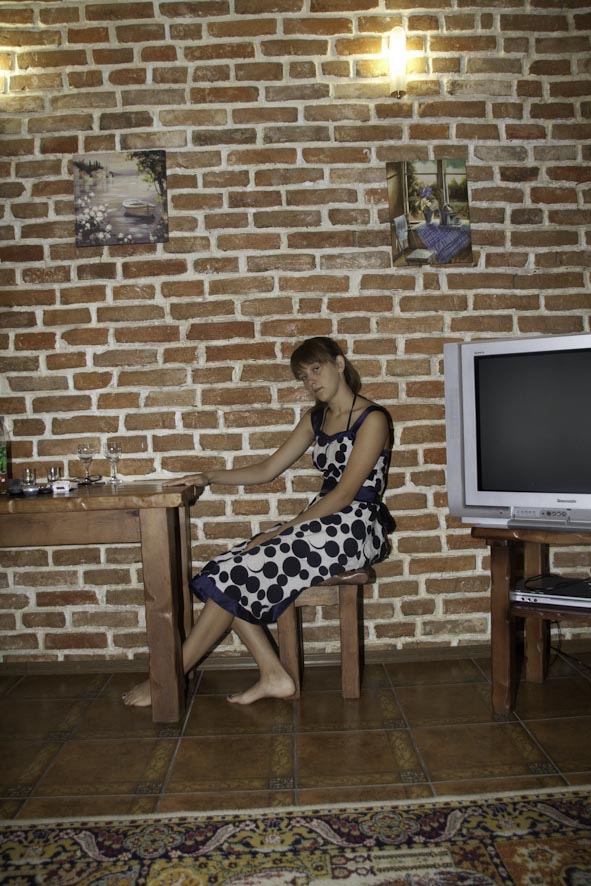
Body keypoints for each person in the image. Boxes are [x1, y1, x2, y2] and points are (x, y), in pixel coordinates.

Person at [123, 336, 394, 708]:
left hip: (354, 527)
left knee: (241, 568)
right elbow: (268, 469)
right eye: (303, 376)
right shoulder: (316, 419)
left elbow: (346, 494)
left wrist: (284, 530)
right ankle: (273, 673)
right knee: (224, 568)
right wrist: (209, 476)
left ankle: (167, 679)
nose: (311, 381)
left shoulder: (373, 418)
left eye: (316, 369)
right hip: (321, 521)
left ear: (339, 363)